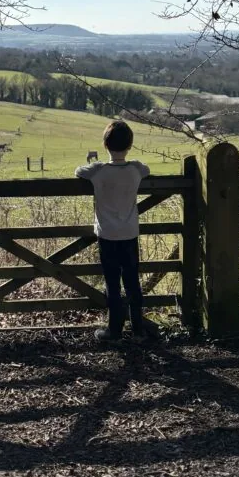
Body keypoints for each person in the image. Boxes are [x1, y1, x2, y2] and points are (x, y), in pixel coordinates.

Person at [75, 120, 150, 341]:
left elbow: (78, 170)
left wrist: (97, 164)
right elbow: (147, 169)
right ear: (130, 145)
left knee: (112, 283)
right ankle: (138, 330)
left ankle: (114, 330)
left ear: (105, 145)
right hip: (129, 233)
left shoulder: (98, 171)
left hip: (107, 235)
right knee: (132, 281)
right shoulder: (136, 169)